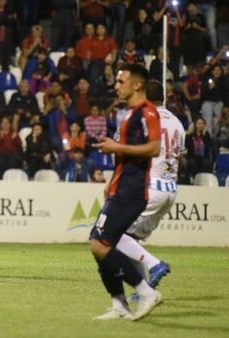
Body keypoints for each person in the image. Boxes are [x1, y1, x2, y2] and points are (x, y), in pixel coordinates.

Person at [90, 63, 162, 321]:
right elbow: (126, 153)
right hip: (120, 187)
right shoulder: (130, 114)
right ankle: (119, 305)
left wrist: (116, 146)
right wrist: (112, 177)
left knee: (100, 245)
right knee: (97, 242)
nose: (116, 86)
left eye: (121, 82)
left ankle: (146, 292)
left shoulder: (148, 112)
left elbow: (154, 148)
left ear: (137, 84)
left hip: (132, 191)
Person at [114, 80, 185, 303]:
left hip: (149, 187)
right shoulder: (178, 122)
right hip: (170, 190)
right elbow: (179, 156)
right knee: (131, 238)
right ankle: (144, 290)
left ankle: (156, 265)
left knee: (112, 235)